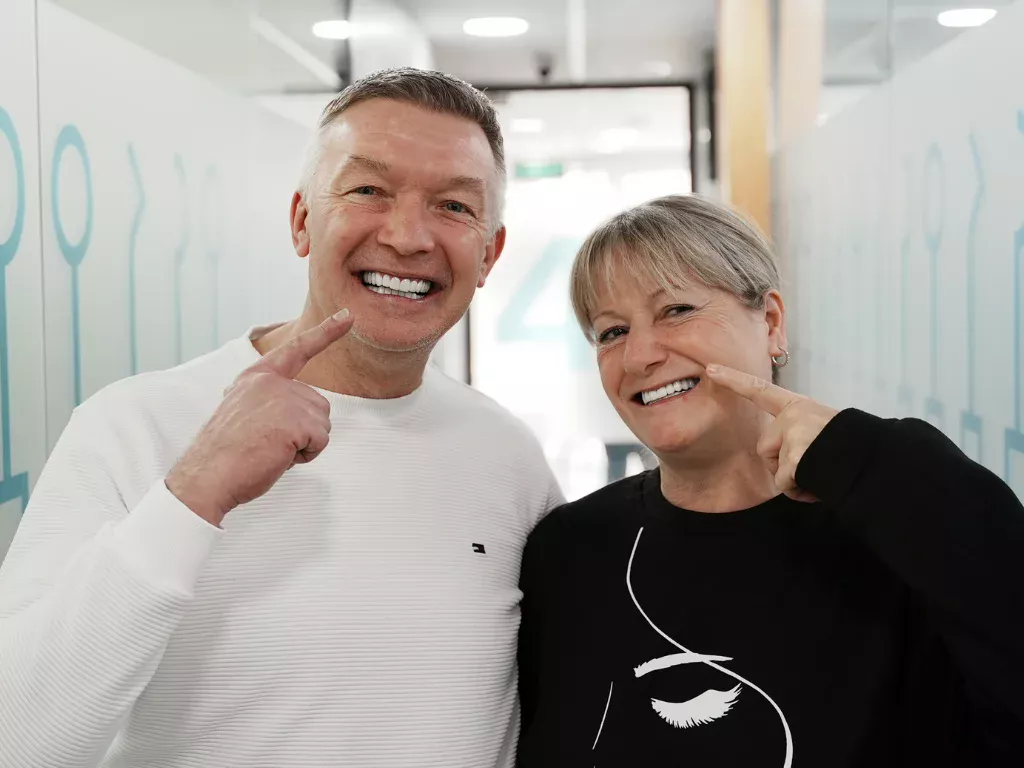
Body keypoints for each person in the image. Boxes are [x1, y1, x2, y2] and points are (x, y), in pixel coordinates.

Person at [0, 68, 563, 768]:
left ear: (489, 254)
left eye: (453, 205)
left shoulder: (509, 458)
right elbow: (17, 742)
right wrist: (193, 492)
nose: (408, 236)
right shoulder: (132, 427)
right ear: (302, 221)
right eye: (368, 190)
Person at [515, 194, 1024, 767]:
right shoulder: (569, 551)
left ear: (772, 323)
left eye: (676, 309)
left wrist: (869, 457)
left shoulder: (893, 526)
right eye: (611, 332)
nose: (638, 356)